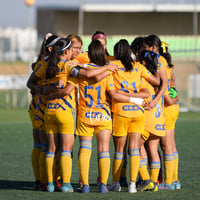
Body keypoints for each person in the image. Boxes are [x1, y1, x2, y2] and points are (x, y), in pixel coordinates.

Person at [109, 39, 160, 193]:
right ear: (130, 52)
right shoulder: (138, 67)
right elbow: (153, 84)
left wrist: (125, 95)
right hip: (137, 113)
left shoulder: (114, 67)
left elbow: (114, 94)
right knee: (134, 150)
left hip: (121, 112)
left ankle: (116, 183)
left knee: (119, 150)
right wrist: (136, 98)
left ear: (116, 53)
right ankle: (132, 184)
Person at [27, 34, 61, 191]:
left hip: (44, 107)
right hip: (41, 108)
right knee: (43, 145)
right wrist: (38, 89)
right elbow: (31, 83)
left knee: (47, 146)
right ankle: (43, 180)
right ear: (50, 49)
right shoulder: (43, 64)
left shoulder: (52, 62)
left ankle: (49, 179)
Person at [157, 43, 180, 190]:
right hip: (173, 108)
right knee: (171, 145)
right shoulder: (169, 68)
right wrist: (175, 98)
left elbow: (168, 90)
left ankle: (169, 182)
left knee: (166, 146)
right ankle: (175, 180)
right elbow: (173, 87)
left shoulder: (162, 67)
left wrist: (172, 98)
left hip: (166, 109)